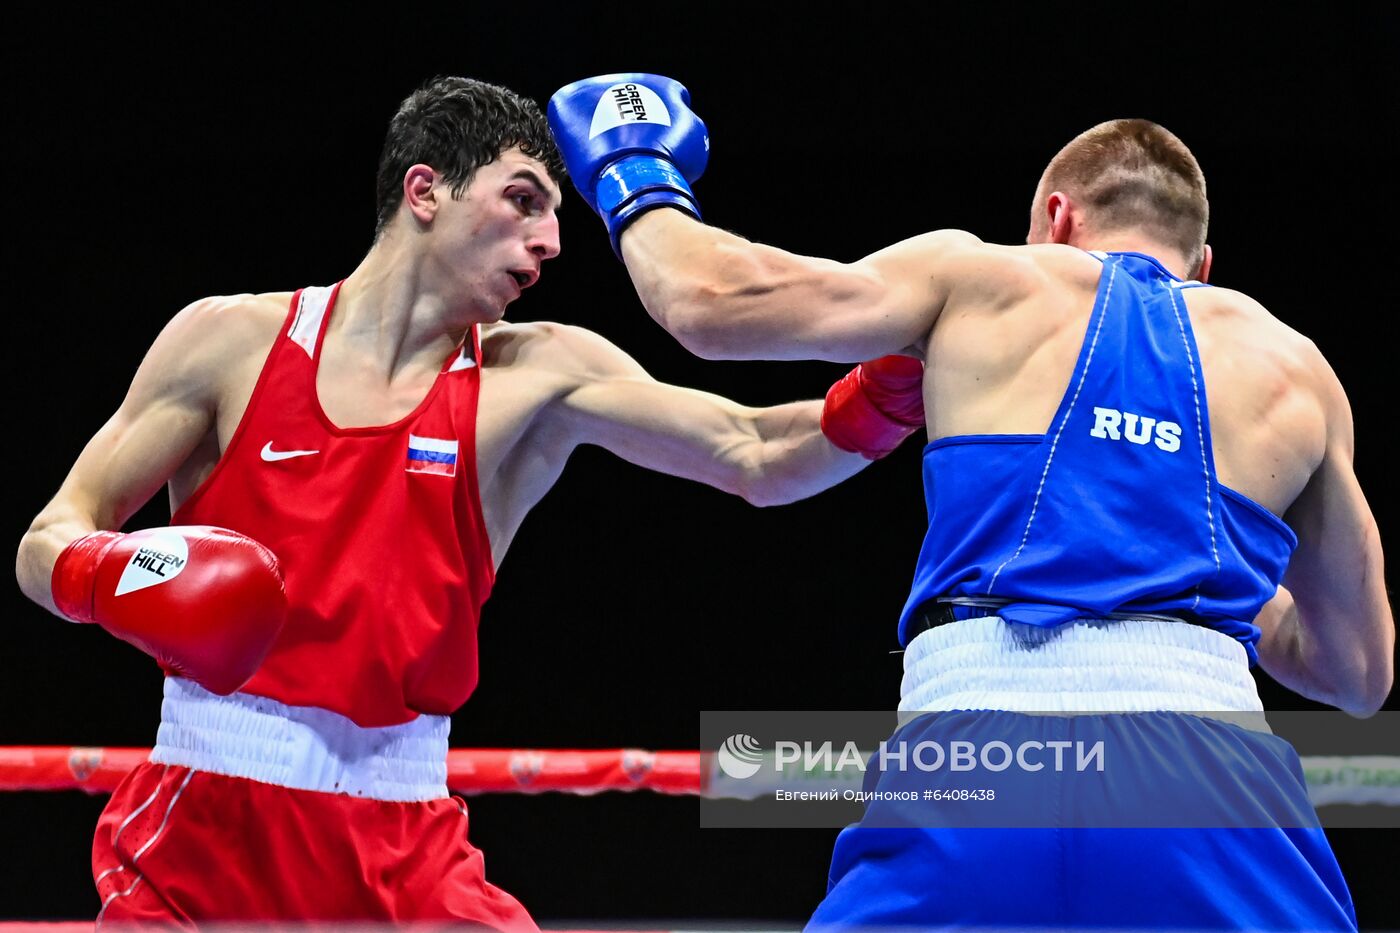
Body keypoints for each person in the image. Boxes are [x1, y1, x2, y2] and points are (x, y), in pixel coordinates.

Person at [13, 76, 928, 928]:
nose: (552, 241)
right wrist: (120, 575)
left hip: (407, 847)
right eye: (523, 198)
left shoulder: (536, 374)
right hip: (202, 829)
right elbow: (48, 537)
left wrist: (897, 383)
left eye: (558, 215)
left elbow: (758, 452)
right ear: (425, 191)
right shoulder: (228, 343)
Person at [548, 74, 1394, 930]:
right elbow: (1358, 673)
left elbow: (710, 301)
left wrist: (635, 169)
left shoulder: (985, 276)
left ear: (1055, 220)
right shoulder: (1297, 368)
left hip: (975, 760)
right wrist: (1202, 555)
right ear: (1204, 268)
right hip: (1210, 779)